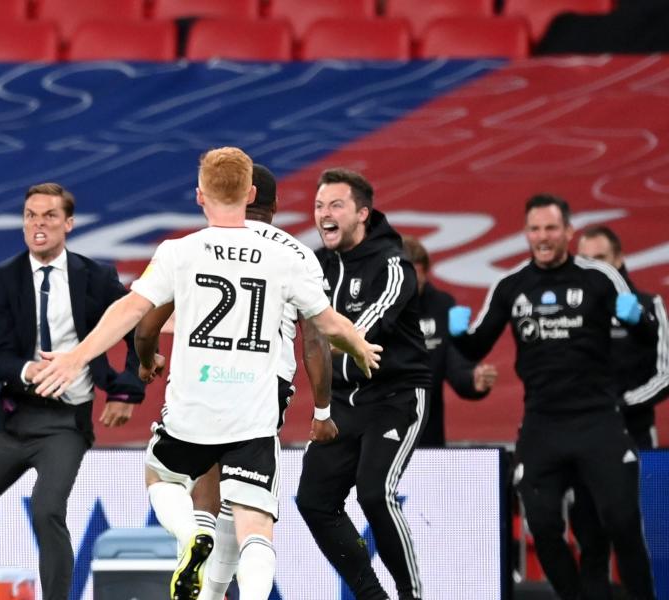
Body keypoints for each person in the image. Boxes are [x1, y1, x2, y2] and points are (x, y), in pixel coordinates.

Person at [32, 147, 382, 600]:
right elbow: (325, 326)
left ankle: (190, 537)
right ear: (252, 193)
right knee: (256, 523)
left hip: (194, 401)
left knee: (163, 478)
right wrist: (357, 344)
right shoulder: (288, 258)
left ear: (199, 196)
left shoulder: (180, 251)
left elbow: (134, 311)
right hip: (255, 407)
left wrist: (77, 356)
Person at [0, 183, 145, 600]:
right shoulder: (4, 277)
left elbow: (136, 327)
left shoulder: (95, 277)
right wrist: (32, 370)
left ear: (68, 223)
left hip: (65, 424)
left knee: (47, 511)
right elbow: (2, 354)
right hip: (13, 421)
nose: (38, 224)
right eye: (31, 215)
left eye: (49, 216)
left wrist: (126, 391)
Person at [132, 163, 335, 600]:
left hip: (203, 378)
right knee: (250, 507)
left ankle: (194, 547)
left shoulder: (193, 247)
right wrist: (323, 410)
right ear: (274, 203)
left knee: (193, 485)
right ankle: (220, 592)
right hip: (265, 385)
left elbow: (147, 324)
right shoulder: (297, 254)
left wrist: (145, 362)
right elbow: (316, 341)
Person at [448, 194, 657, 600]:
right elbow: (476, 347)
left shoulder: (599, 277)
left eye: (551, 228)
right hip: (543, 423)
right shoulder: (510, 285)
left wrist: (639, 320)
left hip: (599, 419)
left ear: (568, 232)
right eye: (535, 229)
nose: (542, 237)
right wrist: (458, 336)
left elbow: (646, 341)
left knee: (621, 520)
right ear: (526, 233)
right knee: (541, 525)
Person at [296, 169, 431, 600]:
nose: (324, 215)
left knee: (376, 493)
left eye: (336, 205)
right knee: (314, 500)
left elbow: (365, 329)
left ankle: (411, 594)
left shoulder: (394, 265)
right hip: (342, 402)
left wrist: (333, 343)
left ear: (363, 214)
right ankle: (372, 596)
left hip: (396, 397)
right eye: (319, 206)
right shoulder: (313, 265)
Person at [566, 225, 669, 600]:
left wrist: (620, 406)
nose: (595, 268)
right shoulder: (569, 310)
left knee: (635, 537)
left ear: (620, 260)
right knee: (590, 540)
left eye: (602, 259)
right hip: (581, 441)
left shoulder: (646, 305)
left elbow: (666, 374)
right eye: (586, 260)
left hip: (633, 436)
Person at [400, 236, 497, 448]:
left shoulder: (442, 306)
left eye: (414, 278)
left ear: (425, 273)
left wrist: (473, 380)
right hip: (377, 428)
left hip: (426, 431)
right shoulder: (371, 308)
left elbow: (454, 361)